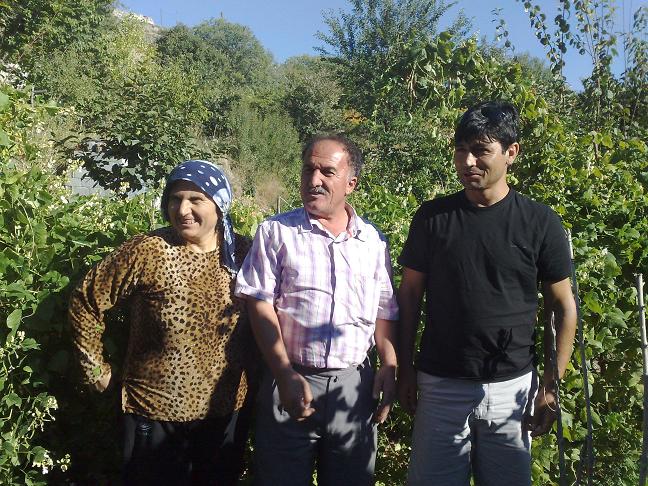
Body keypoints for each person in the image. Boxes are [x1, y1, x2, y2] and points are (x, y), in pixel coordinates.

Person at [397, 101, 577, 485]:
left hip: (512, 390)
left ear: (512, 152)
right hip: (441, 386)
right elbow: (409, 296)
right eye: (461, 149)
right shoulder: (432, 218)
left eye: (481, 150)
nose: (468, 161)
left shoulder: (540, 223)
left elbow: (563, 307)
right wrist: (404, 368)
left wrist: (551, 386)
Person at [68, 160, 256, 486]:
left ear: (219, 204)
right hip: (154, 411)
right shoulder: (149, 251)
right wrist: (94, 370)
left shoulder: (245, 253)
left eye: (195, 200)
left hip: (226, 412)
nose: (182, 210)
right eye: (174, 199)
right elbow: (85, 299)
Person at [235, 134, 399, 486]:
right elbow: (259, 304)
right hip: (289, 381)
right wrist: (283, 373)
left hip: (353, 389)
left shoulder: (372, 242)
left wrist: (389, 362)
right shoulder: (276, 232)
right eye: (308, 169)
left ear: (351, 183)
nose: (314, 180)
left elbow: (384, 309)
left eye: (327, 172)